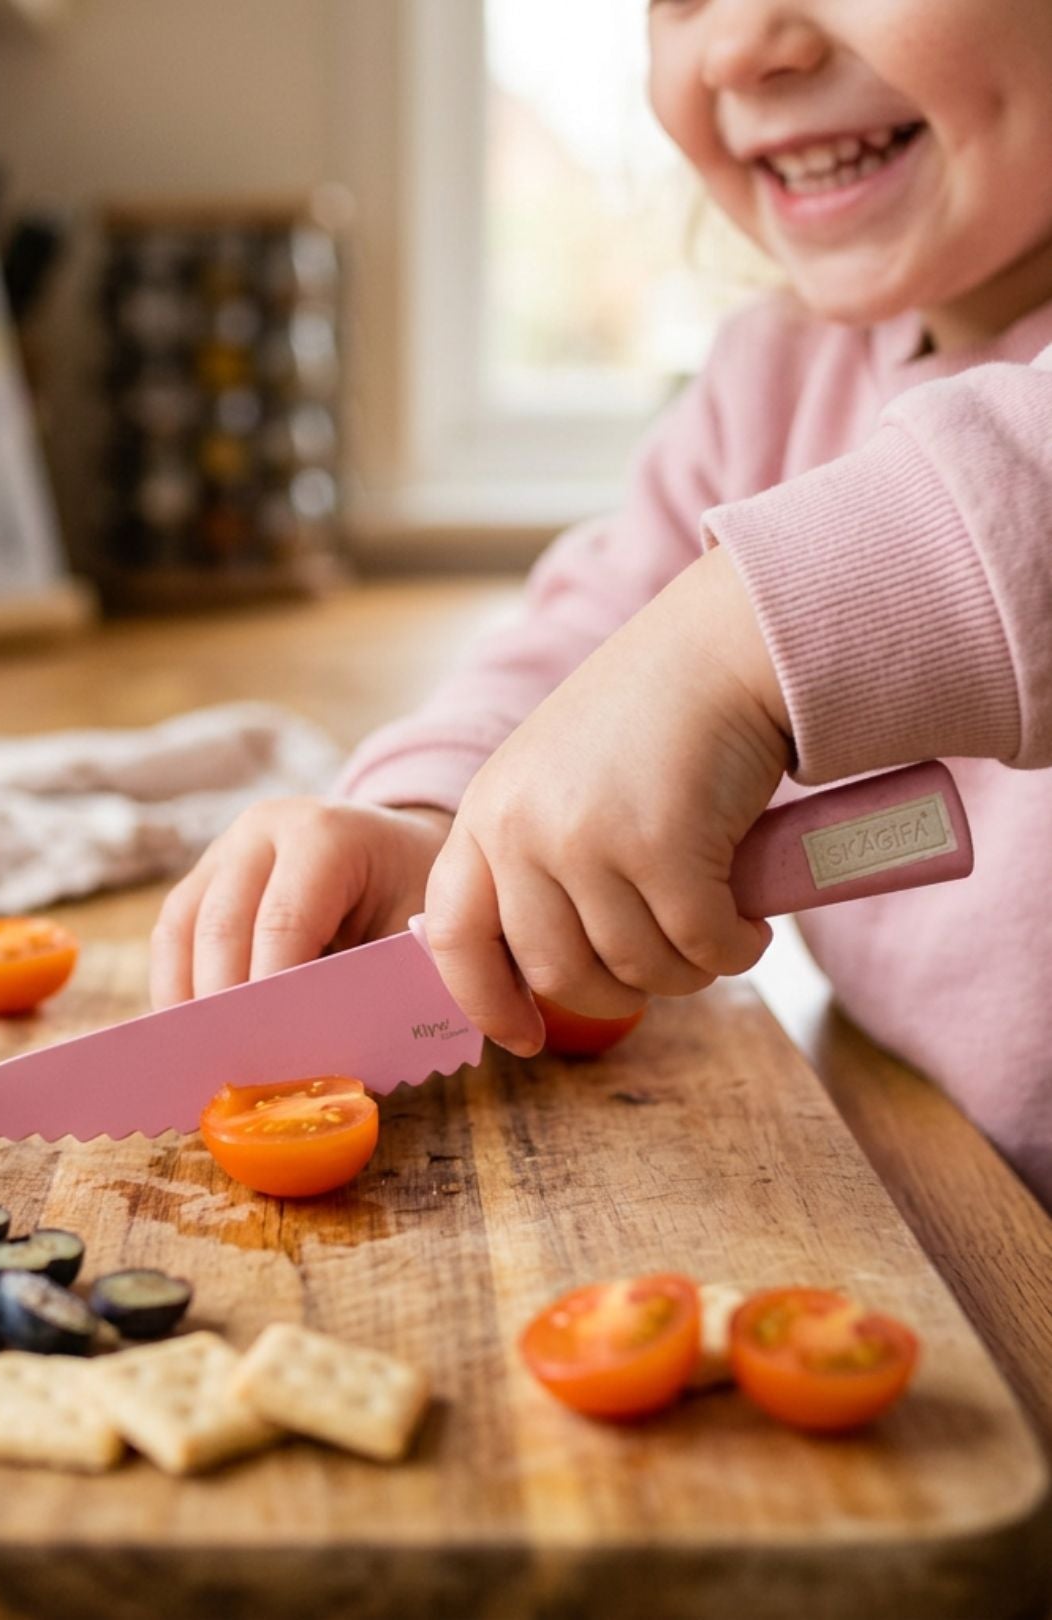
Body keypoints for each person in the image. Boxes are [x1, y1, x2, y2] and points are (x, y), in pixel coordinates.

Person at [150, 0, 1052, 1206]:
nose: (740, 46)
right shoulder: (771, 375)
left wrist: (729, 649)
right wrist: (436, 824)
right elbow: (595, 639)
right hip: (940, 1185)